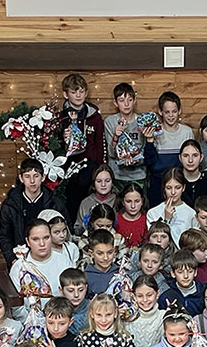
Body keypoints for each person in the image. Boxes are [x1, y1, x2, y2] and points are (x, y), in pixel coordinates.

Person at [0, 158, 68, 267]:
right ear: (21, 178)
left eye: (36, 176)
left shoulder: (55, 203)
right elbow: (4, 235)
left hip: (51, 258)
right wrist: (12, 259)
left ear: (43, 177)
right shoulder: (10, 205)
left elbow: (66, 230)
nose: (32, 181)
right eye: (27, 176)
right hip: (20, 259)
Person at [59, 72, 106, 222]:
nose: (78, 95)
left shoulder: (94, 116)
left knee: (91, 209)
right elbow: (55, 147)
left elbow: (100, 144)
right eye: (74, 92)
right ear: (66, 94)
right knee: (71, 208)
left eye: (81, 91)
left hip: (90, 169)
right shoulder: (60, 118)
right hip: (68, 171)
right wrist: (64, 139)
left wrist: (100, 168)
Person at [9, 219, 72, 317]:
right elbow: (16, 306)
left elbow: (73, 294)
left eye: (46, 238)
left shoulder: (64, 261)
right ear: (28, 241)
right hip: (29, 322)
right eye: (35, 239)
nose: (42, 244)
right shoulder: (19, 267)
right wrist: (31, 322)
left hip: (62, 319)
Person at [143, 91, 194, 206]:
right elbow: (149, 162)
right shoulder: (154, 131)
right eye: (167, 112)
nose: (171, 115)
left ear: (179, 111)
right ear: (160, 112)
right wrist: (150, 141)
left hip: (180, 182)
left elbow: (192, 161)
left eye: (174, 111)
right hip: (158, 182)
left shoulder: (187, 132)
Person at [104, 83, 145, 185]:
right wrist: (116, 136)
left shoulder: (142, 121)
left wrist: (137, 160)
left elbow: (146, 149)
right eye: (121, 100)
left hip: (139, 175)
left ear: (134, 101)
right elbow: (111, 153)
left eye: (129, 100)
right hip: (117, 175)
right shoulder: (110, 122)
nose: (126, 104)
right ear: (116, 103)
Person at [147, 167, 197, 246]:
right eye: (169, 188)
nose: (173, 192)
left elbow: (194, 241)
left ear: (183, 188)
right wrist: (166, 220)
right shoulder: (153, 213)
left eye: (177, 188)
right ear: (164, 188)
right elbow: (153, 241)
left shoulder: (191, 213)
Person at [126, 274, 165, 347]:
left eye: (149, 295)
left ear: (157, 294)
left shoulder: (163, 317)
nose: (145, 300)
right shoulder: (127, 318)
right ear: (133, 296)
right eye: (140, 296)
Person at [74, 163, 118, 235]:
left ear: (112, 182)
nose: (103, 185)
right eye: (99, 181)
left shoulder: (118, 201)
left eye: (107, 181)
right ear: (93, 183)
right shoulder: (85, 203)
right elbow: (77, 228)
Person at [158, 250, 205, 315]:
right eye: (180, 272)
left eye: (190, 271)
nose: (186, 276)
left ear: (195, 272)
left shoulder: (204, 293)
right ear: (173, 273)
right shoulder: (166, 298)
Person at [82, 229, 119, 297]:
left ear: (114, 251)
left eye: (110, 252)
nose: (106, 258)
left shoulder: (120, 274)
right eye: (100, 253)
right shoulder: (85, 277)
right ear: (91, 253)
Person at [115, 182, 148, 247]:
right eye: (128, 201)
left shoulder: (148, 219)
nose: (133, 206)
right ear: (123, 202)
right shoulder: (116, 220)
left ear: (142, 201)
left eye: (137, 201)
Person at [179, 140, 207, 205]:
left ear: (201, 157)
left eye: (195, 155)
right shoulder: (175, 180)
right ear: (180, 158)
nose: (190, 160)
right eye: (186, 156)